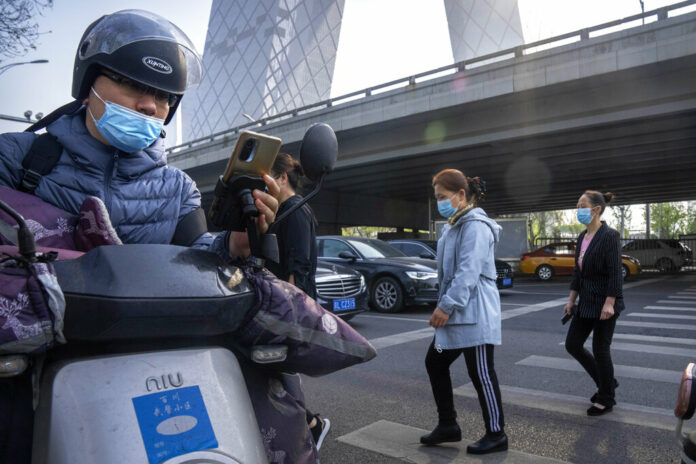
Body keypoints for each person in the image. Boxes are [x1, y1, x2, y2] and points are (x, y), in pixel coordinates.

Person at [0, 10, 279, 462]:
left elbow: (196, 254)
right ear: (88, 84)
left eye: (164, 97)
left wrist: (234, 245)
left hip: (159, 362)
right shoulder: (20, 159)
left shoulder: (177, 188)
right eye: (133, 85)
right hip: (36, 364)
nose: (150, 105)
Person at [421, 169, 507, 455]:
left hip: (476, 313)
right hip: (458, 311)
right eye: (436, 198)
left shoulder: (476, 226)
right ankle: (448, 424)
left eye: (443, 197)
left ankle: (497, 433)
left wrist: (445, 306)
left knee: (481, 372)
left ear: (461, 195)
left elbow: (467, 272)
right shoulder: (454, 225)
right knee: (435, 362)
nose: (439, 203)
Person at [267, 153, 331, 449]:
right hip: (276, 308)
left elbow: (299, 268)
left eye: (268, 176)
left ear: (282, 177)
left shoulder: (295, 210)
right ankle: (306, 426)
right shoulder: (283, 211)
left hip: (288, 311)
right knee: (273, 374)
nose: (262, 183)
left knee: (276, 374)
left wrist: (288, 319)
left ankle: (312, 426)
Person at [564, 190, 624, 416]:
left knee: (601, 350)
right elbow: (577, 274)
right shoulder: (582, 237)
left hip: (605, 303)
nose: (578, 210)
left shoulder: (610, 236)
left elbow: (615, 274)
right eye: (577, 205)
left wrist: (610, 303)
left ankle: (606, 397)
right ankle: (607, 382)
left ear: (596, 209)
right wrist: (571, 301)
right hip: (586, 302)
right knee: (573, 344)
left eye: (582, 205)